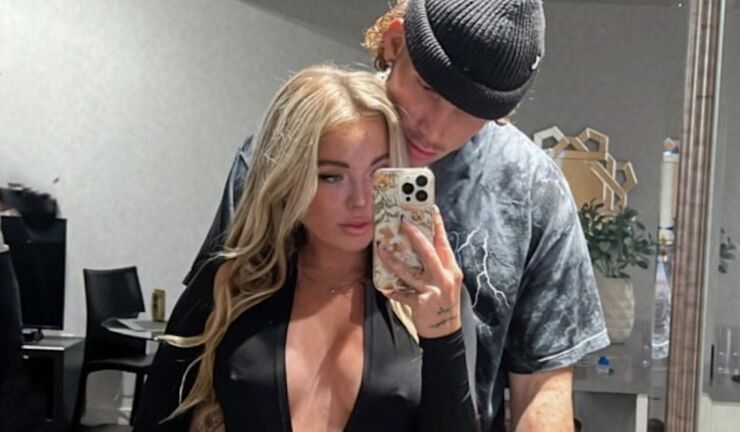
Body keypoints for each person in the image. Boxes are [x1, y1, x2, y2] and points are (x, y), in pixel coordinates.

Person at [140, 0, 610, 430]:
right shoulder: (284, 155)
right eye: (429, 88)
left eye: (473, 112)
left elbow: (543, 386)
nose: (436, 129)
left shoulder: (530, 190)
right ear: (394, 42)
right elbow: (209, 325)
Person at [139, 65, 479, 431]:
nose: (361, 199)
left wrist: (443, 333)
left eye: (379, 173)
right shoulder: (231, 283)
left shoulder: (432, 298)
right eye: (331, 176)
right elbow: (156, 421)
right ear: (290, 179)